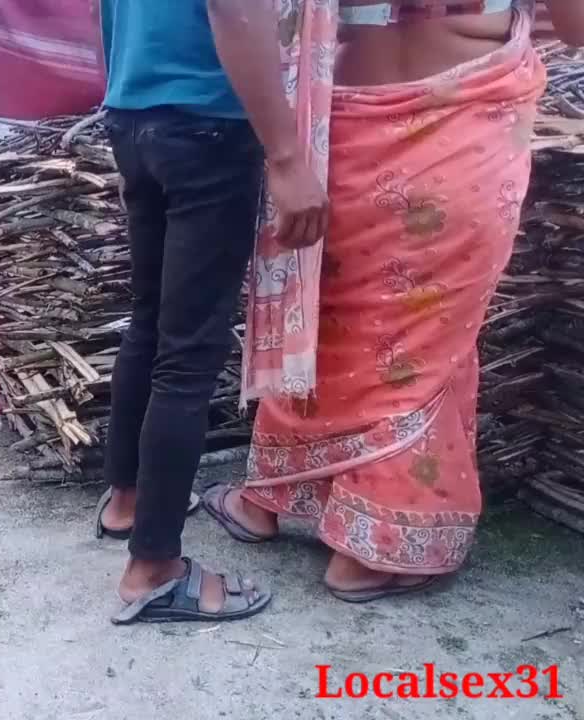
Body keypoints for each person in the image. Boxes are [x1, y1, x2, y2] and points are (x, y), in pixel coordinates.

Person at [201, 0, 584, 602]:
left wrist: (283, 157)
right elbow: (575, 30)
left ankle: (266, 500)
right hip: (464, 138)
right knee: (422, 348)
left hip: (343, 136)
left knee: (330, 322)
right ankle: (372, 551)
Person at [94, 0, 327, 625]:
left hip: (135, 113)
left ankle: (127, 501)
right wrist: (286, 157)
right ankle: (154, 569)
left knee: (151, 323)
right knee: (189, 354)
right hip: (207, 122)